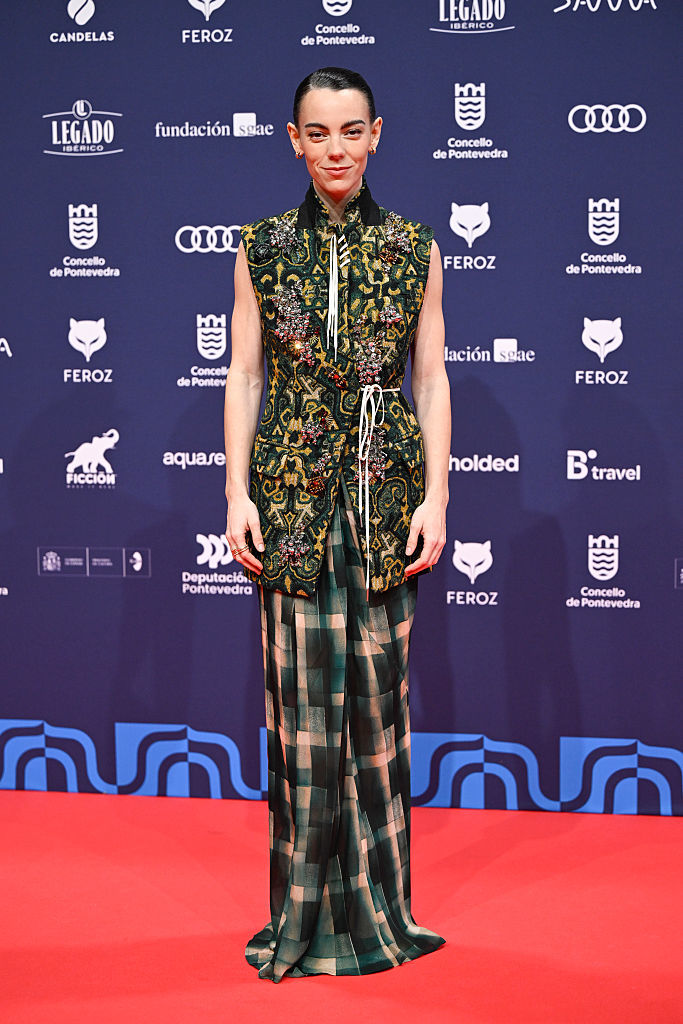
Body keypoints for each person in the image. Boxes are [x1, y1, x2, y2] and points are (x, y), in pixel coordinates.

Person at [224, 66, 450, 983]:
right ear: (293, 141)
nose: (335, 149)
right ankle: (302, 915)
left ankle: (379, 914)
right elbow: (245, 373)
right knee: (302, 719)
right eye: (317, 133)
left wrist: (437, 498)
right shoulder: (261, 246)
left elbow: (429, 377)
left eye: (351, 131)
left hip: (383, 498)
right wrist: (234, 492)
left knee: (377, 711)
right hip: (288, 498)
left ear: (376, 134)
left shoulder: (413, 246)